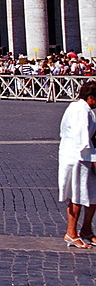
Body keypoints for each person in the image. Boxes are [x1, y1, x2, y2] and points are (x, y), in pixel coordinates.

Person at [59, 80, 96, 249]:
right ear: (91, 97)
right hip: (78, 158)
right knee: (77, 196)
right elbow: (83, 139)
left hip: (79, 155)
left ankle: (86, 230)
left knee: (92, 196)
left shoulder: (79, 108)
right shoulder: (81, 111)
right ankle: (71, 233)